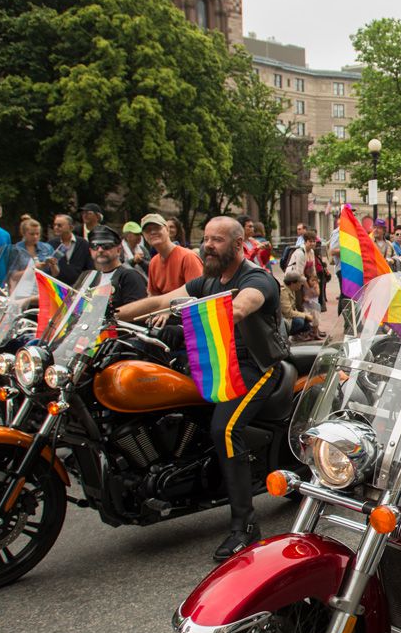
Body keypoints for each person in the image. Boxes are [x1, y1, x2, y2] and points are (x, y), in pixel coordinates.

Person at [117, 216, 287, 559]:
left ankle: (245, 526)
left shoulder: (255, 278)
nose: (208, 245)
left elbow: (245, 303)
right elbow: (160, 301)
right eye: (207, 239)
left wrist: (225, 313)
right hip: (217, 362)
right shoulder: (208, 280)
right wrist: (112, 315)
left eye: (218, 240)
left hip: (255, 366)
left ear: (238, 245)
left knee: (224, 428)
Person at [141, 212, 203, 296]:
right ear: (144, 236)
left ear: (167, 229)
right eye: (147, 230)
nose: (152, 232)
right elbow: (153, 296)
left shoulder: (188, 257)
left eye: (157, 228)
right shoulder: (153, 263)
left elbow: (198, 295)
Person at [86, 225, 148, 306]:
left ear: (118, 250)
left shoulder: (129, 276)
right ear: (90, 251)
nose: (100, 250)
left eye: (106, 246)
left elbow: (138, 310)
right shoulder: (91, 277)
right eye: (95, 246)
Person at [7, 215, 58, 288]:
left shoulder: (47, 248)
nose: (35, 237)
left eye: (37, 234)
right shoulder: (16, 250)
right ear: (23, 233)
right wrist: (33, 269)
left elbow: (55, 273)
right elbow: (13, 276)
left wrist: (53, 265)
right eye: (32, 234)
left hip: (44, 287)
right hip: (23, 289)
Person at [49, 213, 93, 287]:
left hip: (78, 288)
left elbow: (90, 267)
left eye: (59, 225)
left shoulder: (83, 244)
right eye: (54, 225)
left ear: (71, 227)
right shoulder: (51, 244)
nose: (56, 227)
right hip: (56, 287)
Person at [279, 270, 316, 337]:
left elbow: (293, 308)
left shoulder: (291, 289)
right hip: (282, 320)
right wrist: (304, 315)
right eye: (300, 282)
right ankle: (284, 336)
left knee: (306, 324)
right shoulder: (283, 292)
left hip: (288, 317)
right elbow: (287, 312)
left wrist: (305, 315)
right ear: (293, 283)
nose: (301, 284)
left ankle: (297, 336)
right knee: (300, 322)